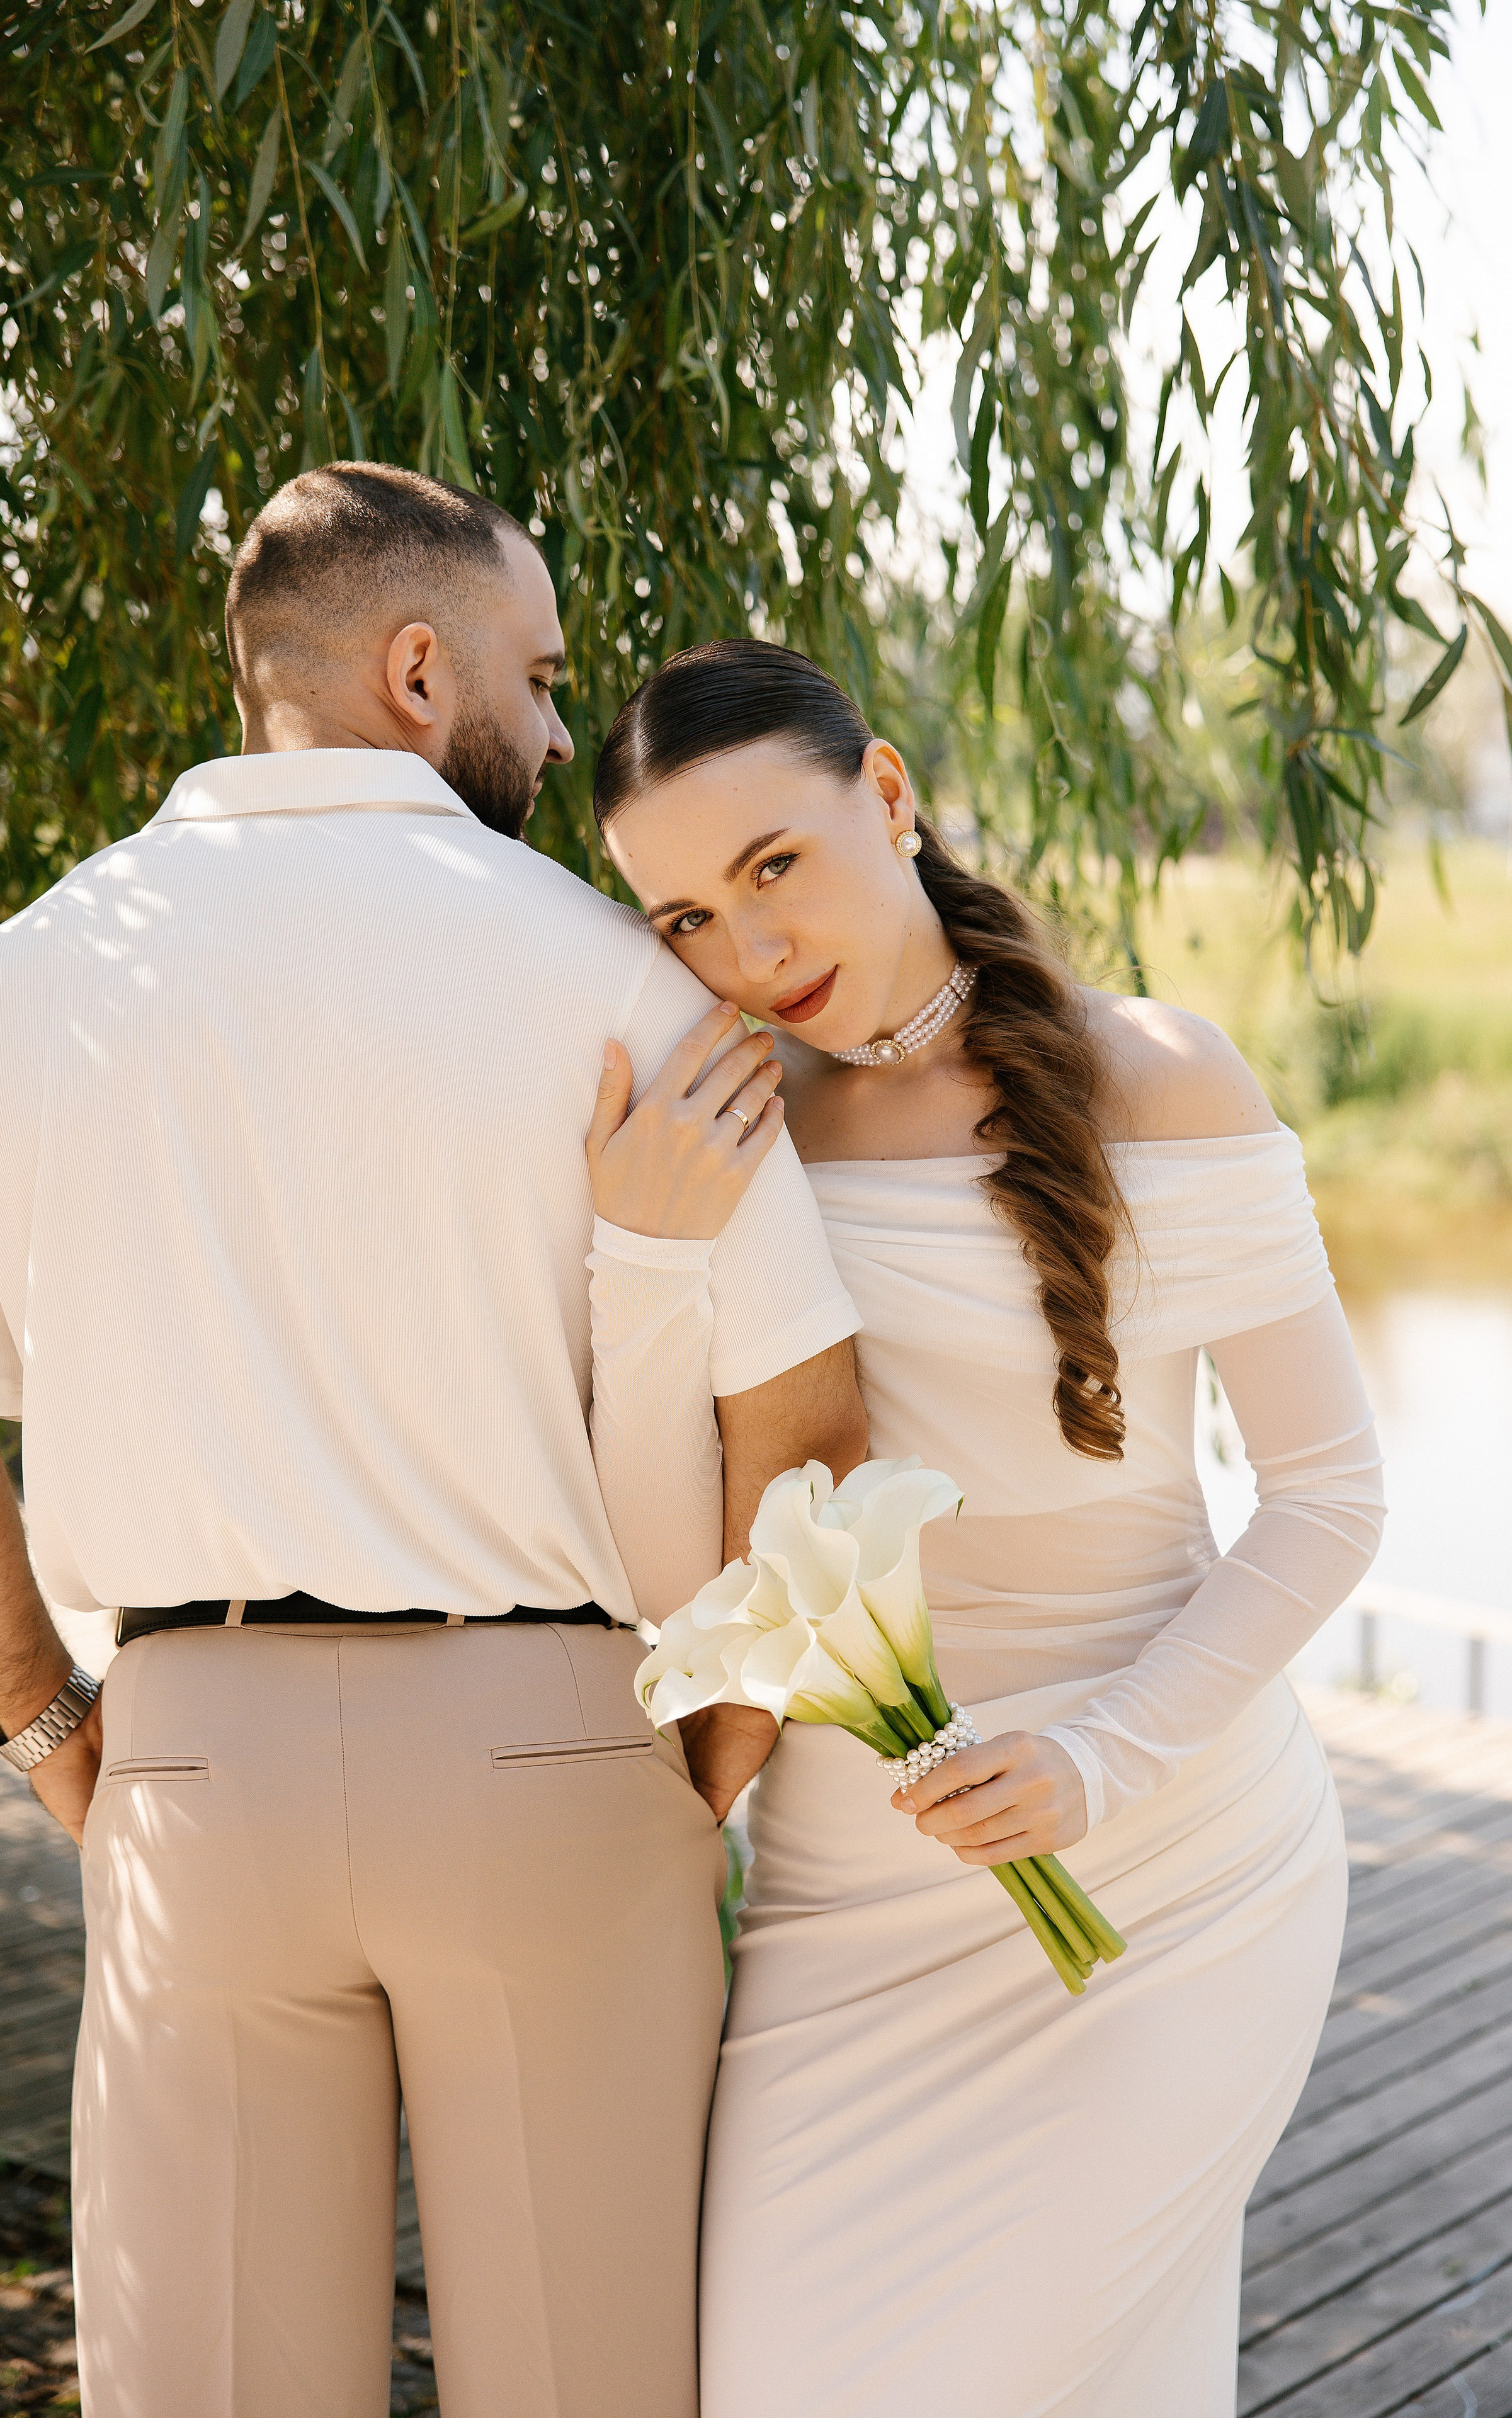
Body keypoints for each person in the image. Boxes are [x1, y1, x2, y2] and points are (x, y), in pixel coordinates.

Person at [0, 477, 868, 2418]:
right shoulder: (621, 977)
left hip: (193, 1767)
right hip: (556, 1761)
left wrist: (55, 1739)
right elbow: (804, 1415)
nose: (561, 726)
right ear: (416, 672)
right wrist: (719, 1757)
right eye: (538, 677)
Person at [582, 637, 1385, 2415]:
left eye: (772, 866)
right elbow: (673, 1554)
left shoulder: (1157, 1079)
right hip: (843, 1900)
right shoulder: (732, 1135)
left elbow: (1329, 1495)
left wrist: (1100, 1758)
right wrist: (639, 1254)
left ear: (886, 794)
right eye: (687, 921)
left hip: (1169, 1860)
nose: (749, 951)